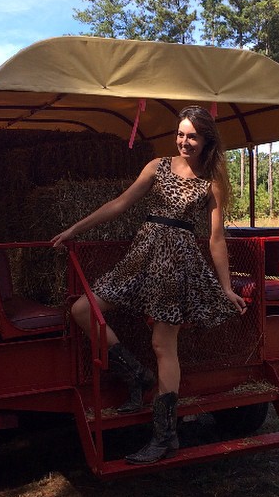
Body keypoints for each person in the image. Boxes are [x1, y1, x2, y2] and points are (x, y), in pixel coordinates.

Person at [52, 105, 247, 465]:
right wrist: (75, 229)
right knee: (83, 309)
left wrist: (226, 285)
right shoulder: (157, 166)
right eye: (180, 134)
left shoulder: (211, 182)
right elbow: (121, 203)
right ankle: (136, 375)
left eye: (192, 136)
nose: (184, 142)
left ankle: (164, 436)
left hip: (179, 263)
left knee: (162, 343)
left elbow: (217, 239)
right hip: (142, 255)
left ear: (206, 141)